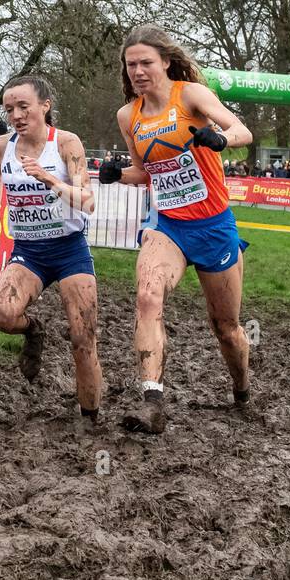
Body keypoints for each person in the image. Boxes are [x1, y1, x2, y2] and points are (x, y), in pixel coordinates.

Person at [98, 23, 253, 434]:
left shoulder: (191, 95)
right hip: (166, 225)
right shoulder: (128, 115)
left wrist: (219, 139)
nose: (138, 71)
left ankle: (241, 388)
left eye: (146, 62)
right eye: (131, 65)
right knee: (148, 297)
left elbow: (243, 131)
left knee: (227, 329)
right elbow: (146, 173)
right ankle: (152, 402)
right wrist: (117, 174)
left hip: (214, 226)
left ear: (166, 61)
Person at [0, 75, 103, 423]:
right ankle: (34, 330)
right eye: (10, 110)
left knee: (83, 336)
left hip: (69, 250)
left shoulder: (66, 144)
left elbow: (88, 202)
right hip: (29, 251)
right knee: (2, 314)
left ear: (45, 106)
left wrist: (50, 180)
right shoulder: (1, 147)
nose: (17, 115)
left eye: (24, 107)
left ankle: (89, 419)